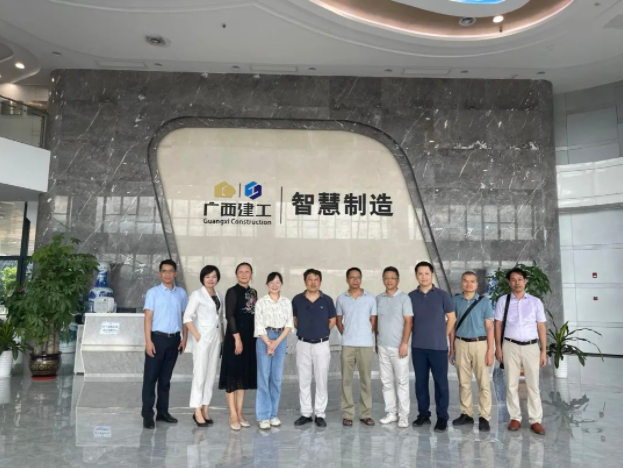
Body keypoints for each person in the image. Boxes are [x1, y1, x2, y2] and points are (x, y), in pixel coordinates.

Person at [494, 267, 547, 436]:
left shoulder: (535, 302)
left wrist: (543, 350)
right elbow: (498, 325)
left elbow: (541, 326)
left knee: (533, 384)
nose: (517, 283)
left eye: (520, 279)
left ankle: (535, 420)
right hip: (510, 346)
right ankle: (515, 418)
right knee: (511, 384)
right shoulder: (503, 301)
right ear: (509, 282)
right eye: (513, 280)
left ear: (525, 281)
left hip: (531, 347)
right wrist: (498, 347)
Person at [409, 261, 456, 433]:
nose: (423, 277)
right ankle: (423, 414)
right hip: (418, 348)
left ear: (432, 275)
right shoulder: (410, 297)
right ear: (416, 276)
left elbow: (452, 318)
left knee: (441, 383)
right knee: (420, 383)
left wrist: (442, 334)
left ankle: (442, 417)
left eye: (426, 273)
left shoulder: (443, 295)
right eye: (420, 274)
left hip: (438, 348)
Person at [141, 259, 188, 429]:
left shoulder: (181, 293)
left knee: (165, 379)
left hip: (174, 340)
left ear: (175, 273)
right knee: (150, 379)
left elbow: (185, 317)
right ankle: (147, 415)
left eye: (170, 271)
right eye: (164, 271)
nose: (167, 274)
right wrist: (148, 341)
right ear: (160, 273)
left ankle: (162, 412)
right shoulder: (153, 293)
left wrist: (184, 338)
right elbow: (148, 318)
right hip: (157, 339)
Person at [448, 271, 494, 432]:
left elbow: (490, 327)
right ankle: (466, 413)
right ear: (462, 283)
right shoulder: (455, 300)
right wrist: (452, 348)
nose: (469, 284)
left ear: (477, 284)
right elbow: (452, 326)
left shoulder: (484, 302)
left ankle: (484, 416)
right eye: (466, 281)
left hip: (480, 344)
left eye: (472, 281)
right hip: (460, 343)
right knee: (463, 382)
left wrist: (490, 350)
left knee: (483, 383)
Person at [292, 268, 336, 428]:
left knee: (321, 380)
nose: (313, 282)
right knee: (303, 380)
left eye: (316, 279)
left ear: (320, 282)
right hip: (303, 344)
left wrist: (321, 332)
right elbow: (294, 319)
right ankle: (305, 413)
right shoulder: (297, 299)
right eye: (310, 279)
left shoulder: (327, 300)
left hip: (321, 345)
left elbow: (332, 320)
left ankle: (320, 414)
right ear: (305, 281)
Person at [218, 262, 258, 431]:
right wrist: (237, 338)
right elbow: (230, 316)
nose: (244, 274)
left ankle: (240, 413)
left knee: (242, 378)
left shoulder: (253, 292)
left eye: (247, 271)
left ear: (251, 274)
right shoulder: (232, 292)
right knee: (232, 377)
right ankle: (232, 414)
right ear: (236, 274)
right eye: (241, 271)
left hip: (249, 339)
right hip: (235, 339)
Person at [336, 267, 377, 427]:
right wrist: (347, 334)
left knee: (366, 380)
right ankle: (347, 414)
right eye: (352, 277)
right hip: (348, 345)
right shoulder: (341, 299)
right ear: (347, 279)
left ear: (361, 279)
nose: (355, 280)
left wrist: (365, 334)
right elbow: (339, 321)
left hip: (365, 345)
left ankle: (365, 414)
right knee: (346, 380)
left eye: (358, 277)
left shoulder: (370, 298)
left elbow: (373, 322)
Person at [184, 265, 224, 427]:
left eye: (214, 276)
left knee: (211, 375)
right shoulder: (197, 295)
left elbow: (220, 318)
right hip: (202, 340)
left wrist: (222, 338)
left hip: (216, 338)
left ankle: (205, 408)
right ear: (202, 278)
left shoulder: (219, 295)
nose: (211, 279)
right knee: (200, 375)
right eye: (207, 277)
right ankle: (197, 410)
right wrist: (197, 335)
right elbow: (187, 318)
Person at [254, 272, 294, 430]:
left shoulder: (286, 302)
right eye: (271, 282)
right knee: (264, 377)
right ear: (267, 284)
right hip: (264, 337)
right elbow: (258, 325)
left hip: (280, 339)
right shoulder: (261, 302)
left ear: (281, 284)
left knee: (276, 378)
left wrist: (276, 343)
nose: (275, 285)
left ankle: (273, 415)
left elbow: (289, 324)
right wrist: (268, 343)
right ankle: (263, 416)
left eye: (278, 282)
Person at [376, 266, 413, 429]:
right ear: (383, 280)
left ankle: (404, 415)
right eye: (386, 278)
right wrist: (376, 342)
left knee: (402, 381)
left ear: (398, 280)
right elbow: (376, 322)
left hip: (399, 347)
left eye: (392, 278)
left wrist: (404, 343)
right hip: (382, 346)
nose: (389, 281)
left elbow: (409, 322)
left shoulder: (404, 298)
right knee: (386, 382)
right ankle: (391, 412)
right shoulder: (379, 298)